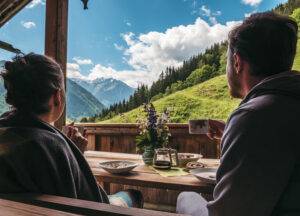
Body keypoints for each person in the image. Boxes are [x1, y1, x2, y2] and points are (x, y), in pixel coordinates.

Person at [177, 12, 300, 216]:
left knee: (185, 198)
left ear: (237, 62)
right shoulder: (287, 103)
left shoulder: (253, 117)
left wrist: (241, 128)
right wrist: (230, 134)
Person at [0, 53, 142, 208]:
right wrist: (69, 150)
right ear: (57, 97)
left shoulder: (8, 134)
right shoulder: (53, 145)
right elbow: (90, 200)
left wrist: (73, 151)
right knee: (133, 195)